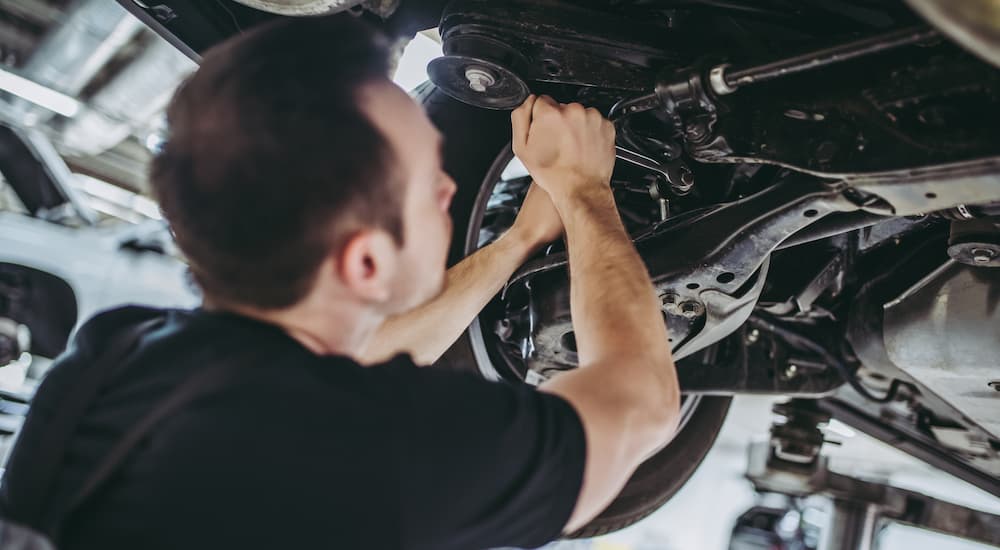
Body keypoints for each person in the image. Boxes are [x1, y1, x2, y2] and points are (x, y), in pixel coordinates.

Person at [0, 14, 680, 550]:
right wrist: (584, 190)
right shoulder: (376, 452)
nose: (451, 185)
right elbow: (641, 405)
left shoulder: (115, 360)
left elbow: (359, 360)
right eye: (430, 190)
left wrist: (521, 240)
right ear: (362, 263)